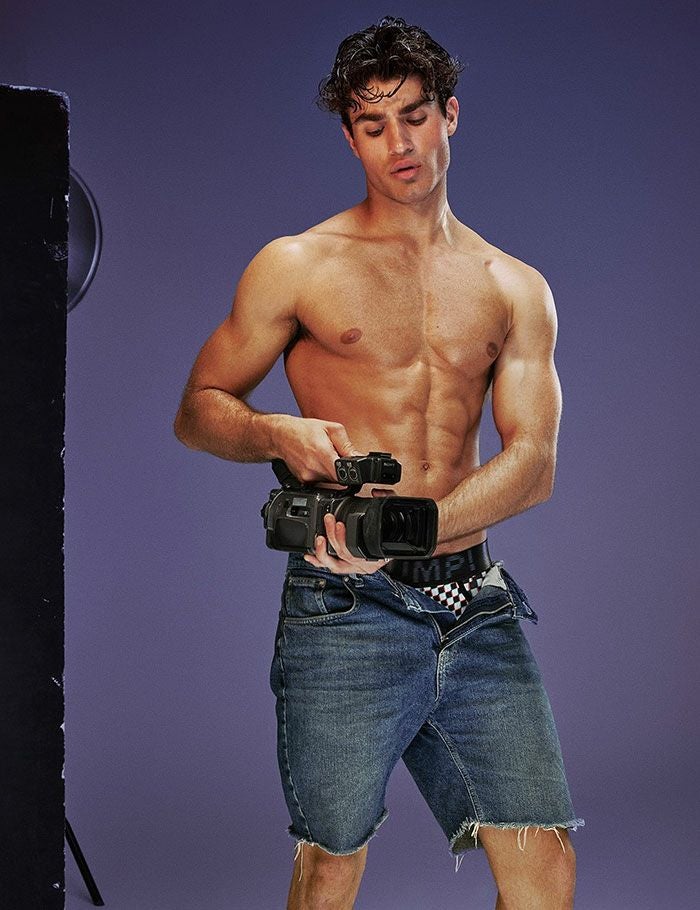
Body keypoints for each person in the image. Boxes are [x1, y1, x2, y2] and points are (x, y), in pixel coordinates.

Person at [173, 15, 584, 910]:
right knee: (332, 863)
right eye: (372, 124)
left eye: (415, 116)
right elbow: (198, 410)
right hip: (345, 609)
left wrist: (420, 525)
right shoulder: (296, 264)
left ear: (451, 115)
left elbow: (535, 461)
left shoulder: (514, 286)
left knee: (545, 862)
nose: (398, 143)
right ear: (350, 137)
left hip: (473, 604)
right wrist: (277, 434)